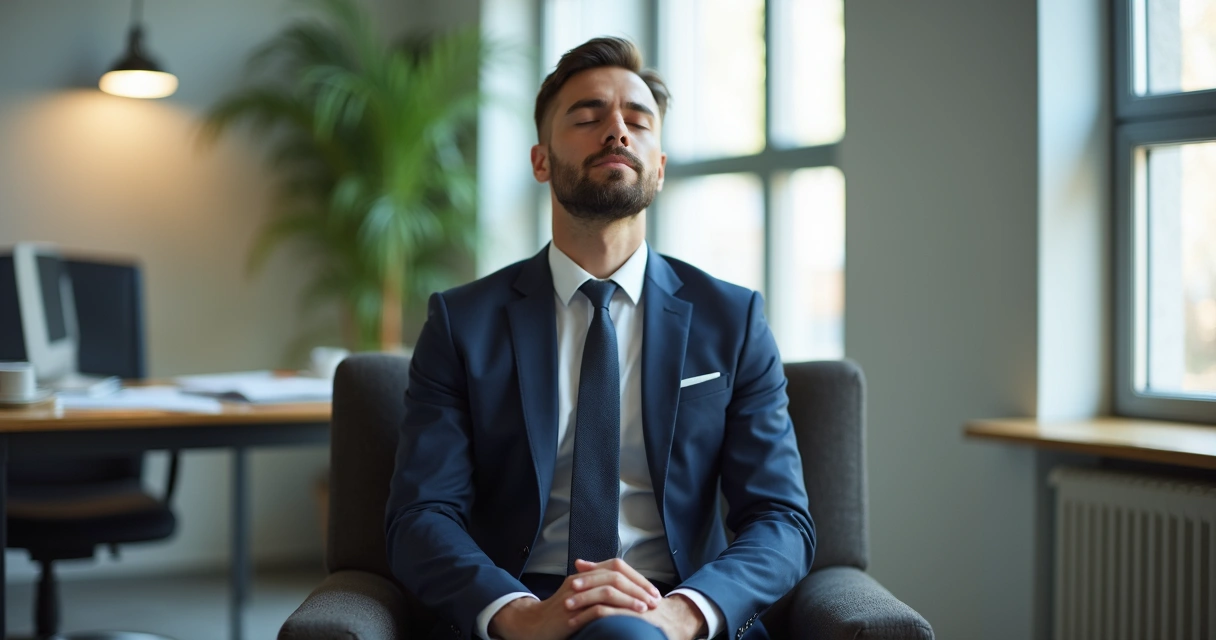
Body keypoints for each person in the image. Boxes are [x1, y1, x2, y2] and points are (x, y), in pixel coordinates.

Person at [386, 36, 814, 640]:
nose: (616, 130)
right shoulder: (462, 323)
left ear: (659, 168)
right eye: (588, 117)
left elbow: (781, 518)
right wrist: (518, 614)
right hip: (525, 602)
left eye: (638, 122)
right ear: (540, 161)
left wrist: (687, 610)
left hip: (677, 602)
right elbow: (420, 516)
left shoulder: (733, 319)